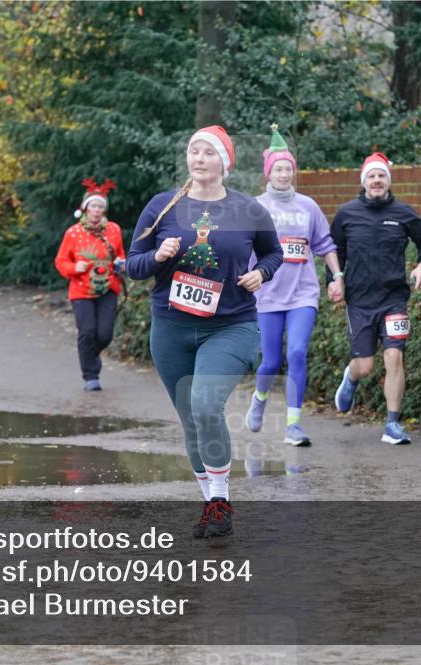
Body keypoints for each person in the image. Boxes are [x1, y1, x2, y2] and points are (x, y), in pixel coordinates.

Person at [126, 125, 283, 538]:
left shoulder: (248, 209)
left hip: (231, 326)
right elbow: (134, 263)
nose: (199, 158)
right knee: (192, 420)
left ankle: (220, 499)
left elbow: (273, 252)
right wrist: (158, 256)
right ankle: (210, 503)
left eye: (208, 152)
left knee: (205, 404)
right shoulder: (163, 206)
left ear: (224, 163)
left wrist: (261, 274)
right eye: (193, 150)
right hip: (172, 329)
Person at [245, 124, 342, 447]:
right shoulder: (256, 207)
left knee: (298, 353)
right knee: (271, 362)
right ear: (269, 173)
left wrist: (337, 276)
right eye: (278, 169)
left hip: (303, 293)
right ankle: (259, 398)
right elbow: (243, 249)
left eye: (289, 169)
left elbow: (324, 244)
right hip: (267, 295)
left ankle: (293, 425)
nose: (284, 174)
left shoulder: (308, 206)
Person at [330, 152, 421, 445]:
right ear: (364, 181)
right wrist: (334, 280)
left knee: (394, 357)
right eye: (372, 176)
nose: (377, 181)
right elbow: (335, 252)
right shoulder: (346, 214)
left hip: (394, 299)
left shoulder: (404, 214)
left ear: (388, 181)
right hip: (360, 301)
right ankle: (350, 377)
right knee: (365, 366)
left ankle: (392, 424)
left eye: (382, 176)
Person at [54, 178, 126, 391]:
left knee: (105, 334)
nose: (96, 210)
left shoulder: (113, 229)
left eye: (100, 207)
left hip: (108, 286)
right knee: (87, 331)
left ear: (104, 210)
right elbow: (60, 261)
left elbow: (120, 253)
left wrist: (121, 262)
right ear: (85, 208)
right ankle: (90, 376)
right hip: (81, 289)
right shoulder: (73, 232)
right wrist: (74, 268)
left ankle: (89, 354)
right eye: (93, 206)